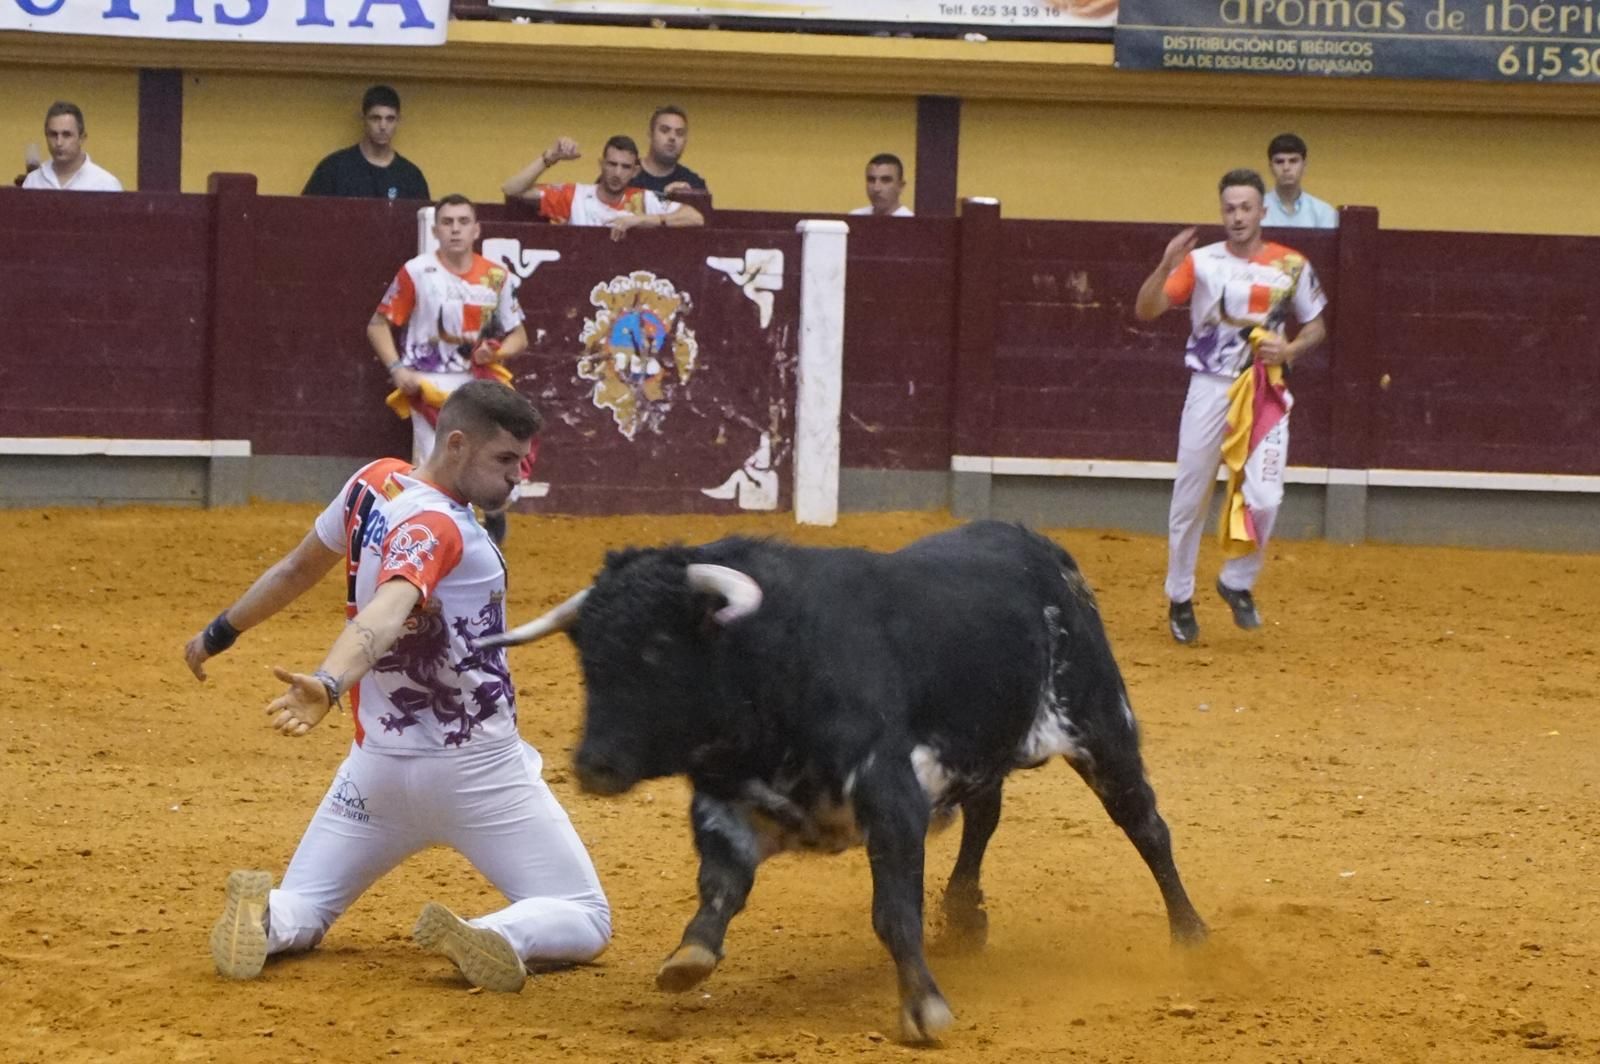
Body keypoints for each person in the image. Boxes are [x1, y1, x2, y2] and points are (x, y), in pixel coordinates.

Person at [199, 380, 611, 993]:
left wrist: (218, 633)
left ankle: (267, 918)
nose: (515, 478)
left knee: (307, 905)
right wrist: (330, 682)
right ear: (456, 445)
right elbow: (389, 609)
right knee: (586, 916)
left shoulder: (370, 485)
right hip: (479, 775)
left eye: (521, 462)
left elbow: (296, 568)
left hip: (378, 771)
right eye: (504, 460)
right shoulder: (442, 527)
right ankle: (499, 935)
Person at [1134, 168, 1328, 645]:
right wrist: (1164, 266)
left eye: (1245, 208)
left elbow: (1317, 325)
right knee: (1191, 495)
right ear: (1221, 213)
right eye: (1229, 209)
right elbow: (1147, 310)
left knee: (1266, 496)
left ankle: (1236, 581)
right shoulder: (1200, 263)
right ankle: (1179, 597)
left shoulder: (1293, 264)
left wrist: (1290, 351)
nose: (1237, 217)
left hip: (1264, 386)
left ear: (1262, 210)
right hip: (1210, 385)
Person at [368, 193, 528, 543]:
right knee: (439, 465)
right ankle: (445, 538)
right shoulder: (417, 271)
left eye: (463, 222)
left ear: (476, 230)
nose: (455, 229)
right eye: (448, 222)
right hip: (427, 385)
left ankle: (488, 528)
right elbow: (378, 325)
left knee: (487, 457)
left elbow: (519, 336)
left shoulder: (497, 276)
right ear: (436, 230)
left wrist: (495, 354)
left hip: (478, 385)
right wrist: (397, 370)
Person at [501, 135, 705, 239]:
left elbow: (695, 217)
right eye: (612, 164)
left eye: (625, 167)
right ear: (601, 164)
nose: (617, 173)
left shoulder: (644, 199)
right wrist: (549, 158)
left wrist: (641, 219)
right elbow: (511, 189)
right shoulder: (575, 196)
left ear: (635, 172)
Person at [302, 85, 430, 201]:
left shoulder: (411, 176)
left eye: (390, 119)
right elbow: (306, 214)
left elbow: (425, 223)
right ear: (363, 119)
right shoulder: (333, 168)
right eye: (376, 118)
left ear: (398, 121)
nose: (383, 126)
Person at [21, 102, 122, 192]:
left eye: (66, 135)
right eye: (53, 134)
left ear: (82, 138)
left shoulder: (105, 185)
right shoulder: (33, 182)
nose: (59, 142)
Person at [1263, 133, 1337, 229]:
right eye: (1279, 162)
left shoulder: (1323, 212)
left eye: (1293, 161)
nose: (1286, 168)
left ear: (1304, 165)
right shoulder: (1255, 211)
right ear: (1271, 167)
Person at [631, 105, 707, 195]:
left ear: (685, 141)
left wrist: (687, 200)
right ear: (650, 135)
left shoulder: (693, 185)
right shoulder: (625, 173)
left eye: (679, 133)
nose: (672, 137)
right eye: (665, 130)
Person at [848, 153, 912, 217]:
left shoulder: (912, 223)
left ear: (901, 186)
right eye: (871, 180)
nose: (876, 188)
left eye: (885, 180)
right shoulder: (856, 218)